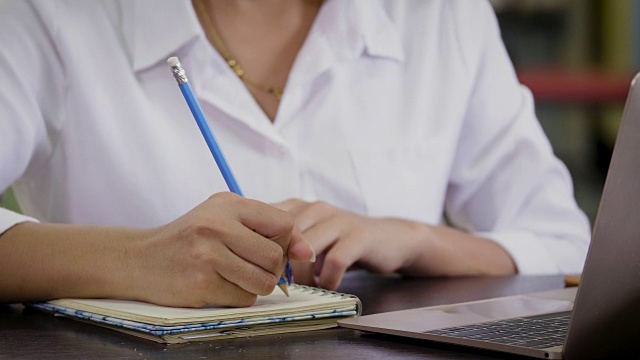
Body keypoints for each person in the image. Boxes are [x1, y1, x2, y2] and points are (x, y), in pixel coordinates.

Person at [0, 0, 591, 306]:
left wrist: (419, 239)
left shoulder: (442, 16)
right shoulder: (47, 16)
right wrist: (140, 259)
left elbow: (570, 248)